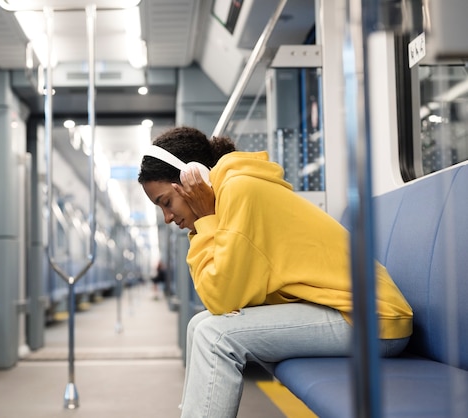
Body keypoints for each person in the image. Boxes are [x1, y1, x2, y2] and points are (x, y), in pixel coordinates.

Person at [137, 126, 413, 418]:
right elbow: (217, 297)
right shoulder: (228, 196)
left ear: (195, 179)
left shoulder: (240, 190)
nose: (167, 218)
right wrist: (206, 221)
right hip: (344, 311)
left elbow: (221, 298)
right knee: (199, 325)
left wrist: (206, 219)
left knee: (214, 336)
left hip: (373, 319)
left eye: (166, 202)